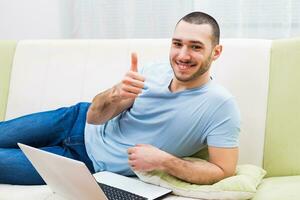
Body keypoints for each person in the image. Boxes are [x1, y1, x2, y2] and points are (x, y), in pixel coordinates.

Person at [0, 11, 240, 185]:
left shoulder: (220, 105)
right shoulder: (151, 71)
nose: (183, 55)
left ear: (216, 52)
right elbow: (95, 117)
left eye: (195, 47)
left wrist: (165, 161)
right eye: (177, 44)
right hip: (74, 120)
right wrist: (115, 94)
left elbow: (223, 170)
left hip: (85, 166)